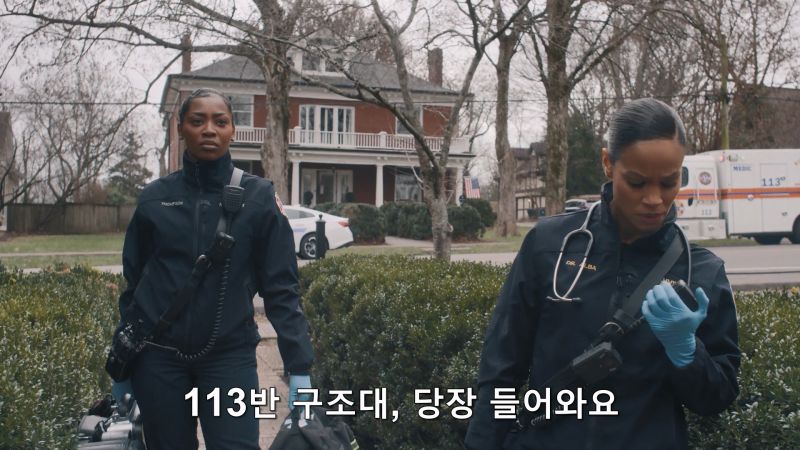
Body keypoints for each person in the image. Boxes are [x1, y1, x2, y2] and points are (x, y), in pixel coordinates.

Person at [464, 98, 740, 449]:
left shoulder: (701, 272)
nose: (654, 199)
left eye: (669, 182)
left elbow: (717, 397)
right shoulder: (549, 245)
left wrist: (687, 352)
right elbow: (501, 369)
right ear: (608, 163)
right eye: (637, 182)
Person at [116, 88, 314, 449]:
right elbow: (135, 286)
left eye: (220, 122)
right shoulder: (154, 199)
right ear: (180, 128)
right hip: (158, 362)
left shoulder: (259, 198)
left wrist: (299, 366)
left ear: (232, 130)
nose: (209, 129)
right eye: (198, 121)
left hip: (229, 359)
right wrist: (123, 361)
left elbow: (282, 289)